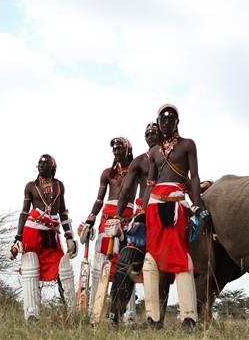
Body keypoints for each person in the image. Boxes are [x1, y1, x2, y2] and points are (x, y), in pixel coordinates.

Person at [139, 103, 204, 330]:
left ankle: (188, 317)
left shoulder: (187, 145)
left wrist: (195, 207)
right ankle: (153, 318)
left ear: (178, 122)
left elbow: (194, 177)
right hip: (155, 208)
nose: (167, 122)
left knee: (181, 258)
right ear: (158, 123)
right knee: (151, 260)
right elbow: (150, 184)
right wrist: (142, 212)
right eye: (163, 119)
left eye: (171, 118)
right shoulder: (154, 152)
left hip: (178, 206)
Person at [7, 154, 78, 321]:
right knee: (31, 271)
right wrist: (18, 238)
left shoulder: (59, 185)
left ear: (52, 167)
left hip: (51, 235)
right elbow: (24, 212)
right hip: (32, 231)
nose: (41, 165)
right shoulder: (31, 186)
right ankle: (32, 315)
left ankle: (71, 314)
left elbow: (62, 212)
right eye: (39, 162)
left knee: (63, 270)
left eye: (45, 162)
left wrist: (69, 235)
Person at [108, 122, 162, 324]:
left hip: (168, 214)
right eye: (147, 133)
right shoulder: (139, 161)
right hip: (142, 217)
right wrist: (117, 216)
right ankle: (114, 315)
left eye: (153, 132)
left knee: (161, 264)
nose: (150, 135)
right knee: (125, 261)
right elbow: (125, 192)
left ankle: (159, 317)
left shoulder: (172, 157)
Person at [77, 137, 135, 312]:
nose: (116, 151)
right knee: (100, 262)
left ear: (128, 149)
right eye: (114, 148)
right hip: (106, 218)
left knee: (127, 263)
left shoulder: (136, 169)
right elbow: (99, 199)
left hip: (128, 218)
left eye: (120, 148)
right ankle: (96, 310)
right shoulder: (107, 173)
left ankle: (128, 314)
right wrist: (90, 219)